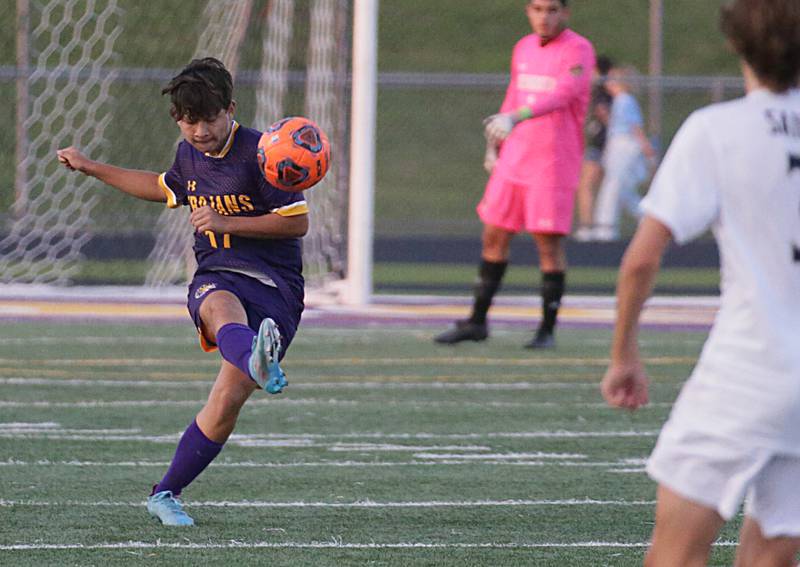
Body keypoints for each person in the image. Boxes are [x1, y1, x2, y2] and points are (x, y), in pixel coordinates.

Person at [56, 57, 309, 527]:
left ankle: (165, 491)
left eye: (209, 119)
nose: (200, 131)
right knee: (217, 304)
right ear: (179, 119)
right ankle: (255, 354)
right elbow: (161, 187)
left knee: (226, 403)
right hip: (218, 269)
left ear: (230, 108)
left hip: (275, 285)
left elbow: (297, 221)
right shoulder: (188, 153)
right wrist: (90, 166)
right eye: (189, 121)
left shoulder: (261, 154)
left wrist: (226, 221)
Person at [601, 0, 800, 564]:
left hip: (748, 369)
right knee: (772, 558)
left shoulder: (717, 130)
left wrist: (624, 356)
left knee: (675, 556)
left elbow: (641, 259)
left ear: (737, 44)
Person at [435, 0, 595, 349]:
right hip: (516, 159)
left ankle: (547, 330)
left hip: (552, 161)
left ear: (565, 13)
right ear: (528, 11)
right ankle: (477, 321)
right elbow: (514, 94)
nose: (545, 16)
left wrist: (517, 116)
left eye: (553, 9)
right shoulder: (522, 47)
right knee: (493, 236)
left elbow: (562, 94)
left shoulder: (579, 49)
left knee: (548, 245)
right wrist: (496, 143)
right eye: (538, 9)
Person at [591, 66, 657, 242]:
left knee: (613, 187)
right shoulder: (619, 101)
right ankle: (646, 218)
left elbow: (635, 128)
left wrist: (647, 149)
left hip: (624, 147)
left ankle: (605, 230)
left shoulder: (625, 100)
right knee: (623, 190)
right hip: (616, 146)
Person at [573, 55, 614, 241]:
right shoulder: (605, 92)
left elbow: (605, 114)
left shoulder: (602, 92)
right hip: (603, 146)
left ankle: (587, 227)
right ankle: (598, 226)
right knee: (604, 187)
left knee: (586, 186)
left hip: (600, 146)